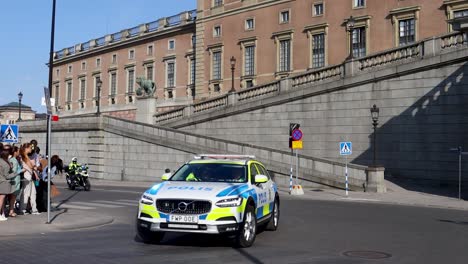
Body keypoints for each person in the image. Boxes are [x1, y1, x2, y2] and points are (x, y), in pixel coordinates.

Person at [0, 144, 24, 221]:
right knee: (2, 199)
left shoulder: (2, 161)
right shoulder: (6, 164)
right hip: (4, 182)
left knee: (2, 199)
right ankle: (1, 214)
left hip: (2, 181)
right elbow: (7, 176)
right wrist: (17, 172)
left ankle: (2, 213)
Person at [19, 143, 40, 215]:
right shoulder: (23, 156)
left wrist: (35, 172)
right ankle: (22, 209)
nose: (31, 149)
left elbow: (32, 167)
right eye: (30, 148)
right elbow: (31, 166)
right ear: (26, 148)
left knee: (33, 193)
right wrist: (33, 165)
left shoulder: (26, 156)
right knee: (26, 193)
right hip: (26, 177)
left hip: (30, 177)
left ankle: (34, 209)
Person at [7, 146, 22, 217]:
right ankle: (11, 210)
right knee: (13, 197)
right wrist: (22, 170)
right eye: (18, 151)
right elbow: (15, 171)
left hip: (13, 180)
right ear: (15, 152)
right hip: (15, 180)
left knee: (12, 197)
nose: (19, 152)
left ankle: (10, 210)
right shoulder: (14, 161)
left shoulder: (11, 159)